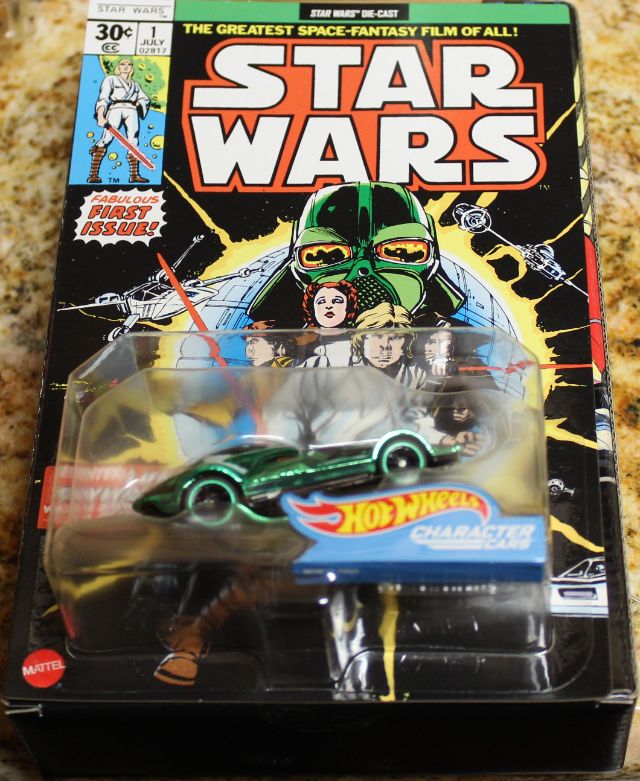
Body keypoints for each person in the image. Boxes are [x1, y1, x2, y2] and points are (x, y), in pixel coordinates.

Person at [88, 58, 151, 184]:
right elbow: (103, 98)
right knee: (107, 138)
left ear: (132, 68)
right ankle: (93, 174)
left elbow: (145, 99)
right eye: (123, 64)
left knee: (133, 141)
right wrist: (100, 115)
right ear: (119, 67)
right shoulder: (111, 79)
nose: (126, 67)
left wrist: (139, 103)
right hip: (115, 108)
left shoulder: (135, 85)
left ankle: (134, 175)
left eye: (129, 65)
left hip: (132, 110)